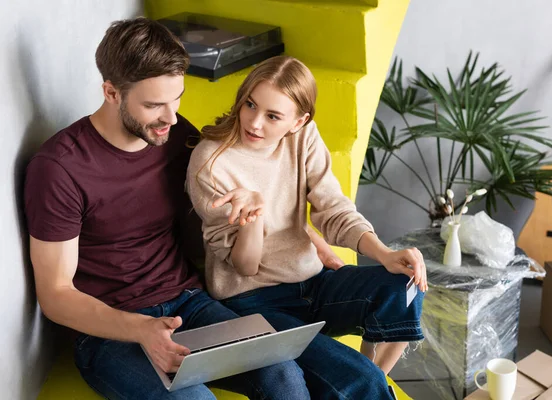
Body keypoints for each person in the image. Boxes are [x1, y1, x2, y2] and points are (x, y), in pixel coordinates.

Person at [23, 18, 341, 400]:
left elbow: (238, 190)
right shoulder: (60, 168)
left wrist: (306, 235)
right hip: (109, 333)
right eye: (154, 104)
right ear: (111, 92)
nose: (171, 117)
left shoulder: (175, 137)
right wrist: (140, 328)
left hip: (189, 303)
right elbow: (55, 293)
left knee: (283, 373)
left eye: (177, 98)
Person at [186, 55, 428, 400]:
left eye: (273, 116)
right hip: (252, 302)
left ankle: (368, 380)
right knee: (357, 379)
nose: (254, 123)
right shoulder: (211, 163)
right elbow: (244, 266)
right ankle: (365, 384)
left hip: (313, 283)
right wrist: (253, 217)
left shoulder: (302, 138)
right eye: (250, 105)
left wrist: (385, 254)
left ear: (299, 121)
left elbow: (333, 208)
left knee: (404, 285)